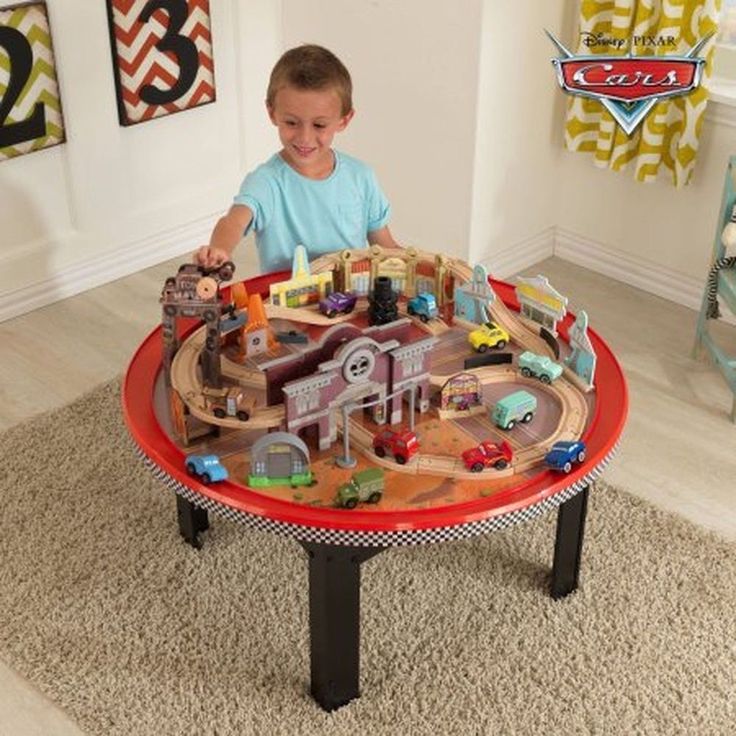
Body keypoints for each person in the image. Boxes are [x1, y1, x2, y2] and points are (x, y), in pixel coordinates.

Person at [194, 44, 401, 273]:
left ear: (343, 120)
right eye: (291, 122)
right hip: (285, 304)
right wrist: (218, 250)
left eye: (319, 125)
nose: (304, 137)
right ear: (272, 113)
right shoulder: (265, 182)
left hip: (351, 300)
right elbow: (233, 221)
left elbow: (385, 247)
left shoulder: (361, 177)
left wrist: (417, 266)